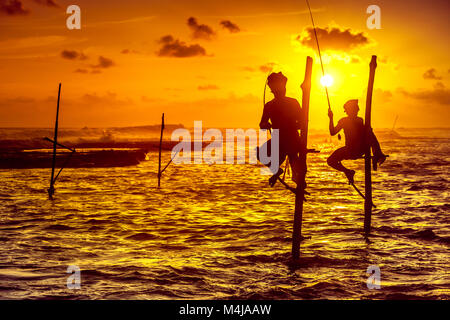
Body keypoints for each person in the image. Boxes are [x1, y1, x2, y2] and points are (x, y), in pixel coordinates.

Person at [257, 72, 304, 186]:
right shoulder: (269, 106)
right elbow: (261, 124)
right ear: (273, 90)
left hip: (292, 139)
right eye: (275, 88)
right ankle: (276, 170)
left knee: (293, 160)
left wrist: (294, 125)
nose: (280, 90)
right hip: (277, 140)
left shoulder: (293, 102)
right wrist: (266, 124)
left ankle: (297, 178)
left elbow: (302, 122)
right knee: (260, 153)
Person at [327, 99, 387, 184]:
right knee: (331, 160)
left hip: (351, 151)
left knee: (330, 161)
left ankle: (347, 171)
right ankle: (348, 171)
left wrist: (331, 118)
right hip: (359, 151)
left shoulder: (346, 121)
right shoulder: (360, 120)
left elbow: (332, 132)